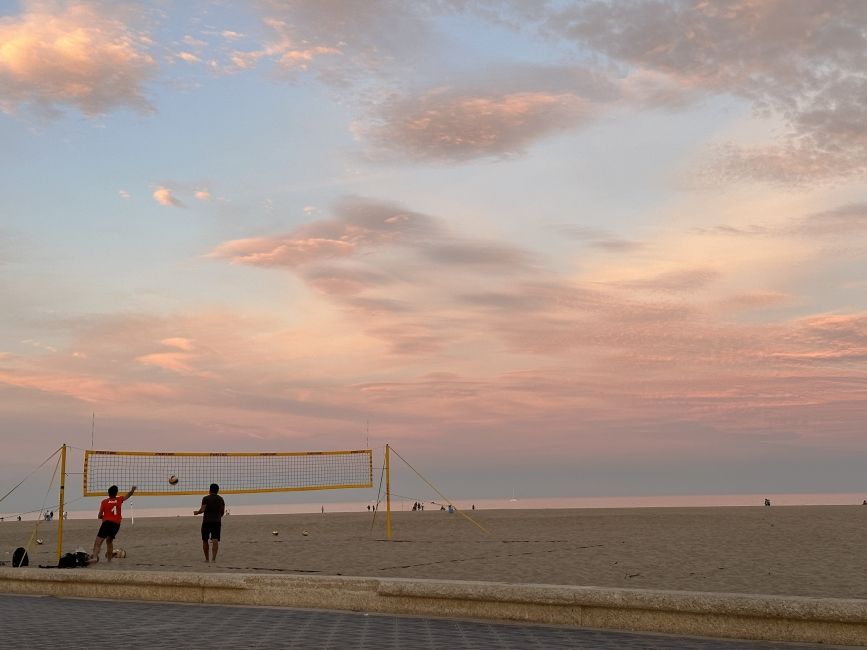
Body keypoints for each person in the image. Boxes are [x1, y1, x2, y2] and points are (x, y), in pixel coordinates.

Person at [92, 485, 136, 563]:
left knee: (98, 542)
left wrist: (104, 517)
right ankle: (109, 560)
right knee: (109, 541)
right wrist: (132, 490)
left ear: (108, 493)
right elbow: (128, 495)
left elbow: (99, 516)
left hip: (107, 523)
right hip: (116, 525)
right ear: (116, 493)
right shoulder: (119, 499)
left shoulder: (104, 502)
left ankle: (95, 557)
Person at [193, 483, 225, 564]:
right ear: (218, 490)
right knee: (215, 540)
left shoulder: (205, 498)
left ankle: (207, 559)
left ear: (210, 490)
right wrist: (218, 516)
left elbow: (202, 509)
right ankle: (213, 559)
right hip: (217, 522)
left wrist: (197, 512)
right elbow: (222, 511)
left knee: (205, 540)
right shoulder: (221, 499)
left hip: (206, 522)